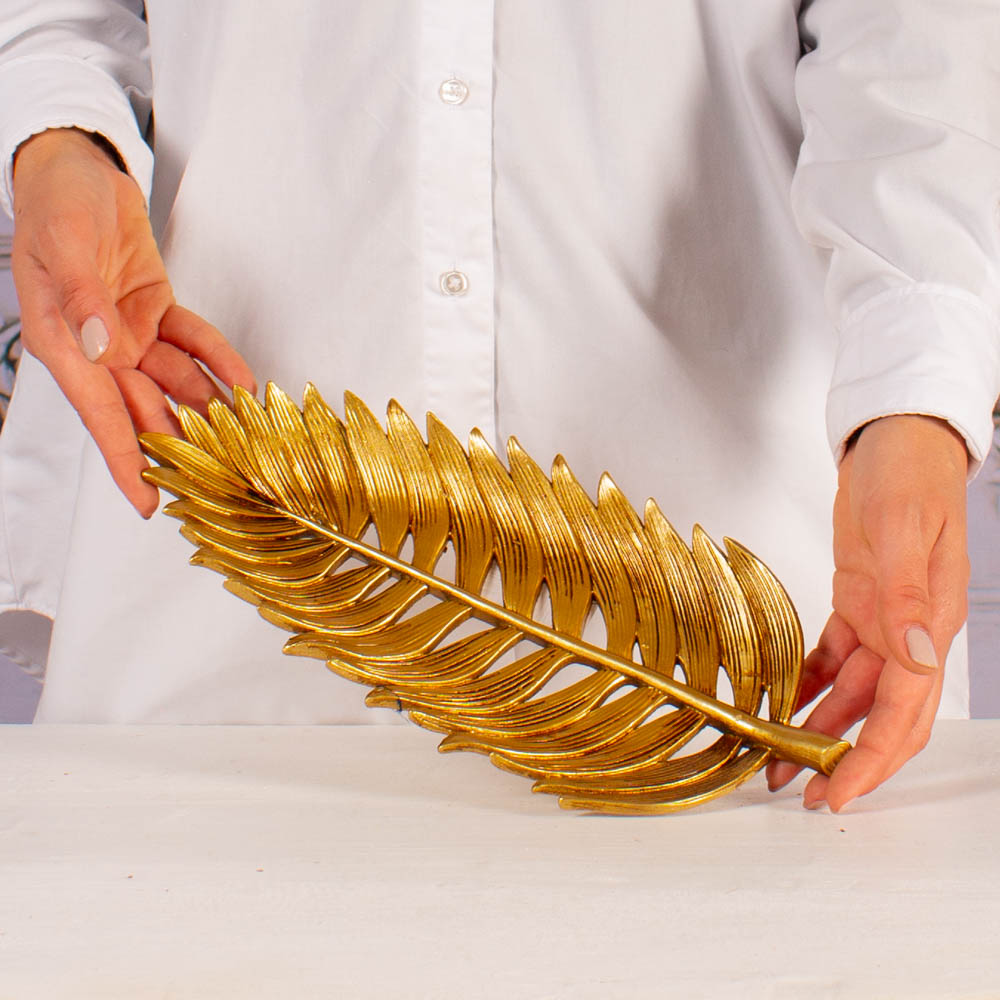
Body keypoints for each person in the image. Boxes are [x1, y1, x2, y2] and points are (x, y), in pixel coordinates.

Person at [0, 2, 996, 811]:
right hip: (212, 594)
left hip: (747, 674)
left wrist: (912, 404)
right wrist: (56, 142)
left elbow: (920, 52)